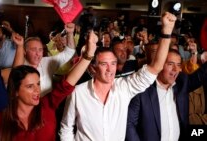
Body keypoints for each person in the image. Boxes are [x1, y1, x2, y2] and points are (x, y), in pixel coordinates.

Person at [59, 12, 177, 141]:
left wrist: (167, 31)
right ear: (93, 67)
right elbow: (66, 128)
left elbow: (156, 67)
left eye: (113, 63)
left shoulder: (124, 88)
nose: (110, 69)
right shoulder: (78, 92)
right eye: (104, 64)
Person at [0, 30, 98, 141]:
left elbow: (67, 83)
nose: (37, 90)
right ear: (15, 90)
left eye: (38, 84)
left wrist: (89, 54)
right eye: (30, 86)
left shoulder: (47, 105)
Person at [125, 48, 207, 141]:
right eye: (170, 64)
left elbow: (202, 74)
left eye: (178, 65)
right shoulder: (142, 89)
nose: (175, 69)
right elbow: (129, 123)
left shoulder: (181, 83)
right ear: (160, 65)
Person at [12, 23, 76, 96]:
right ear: (25, 51)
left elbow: (69, 52)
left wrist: (70, 33)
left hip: (45, 106)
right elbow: (14, 77)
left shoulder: (47, 62)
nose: (38, 53)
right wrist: (19, 45)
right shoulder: (20, 64)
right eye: (34, 49)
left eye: (40, 50)